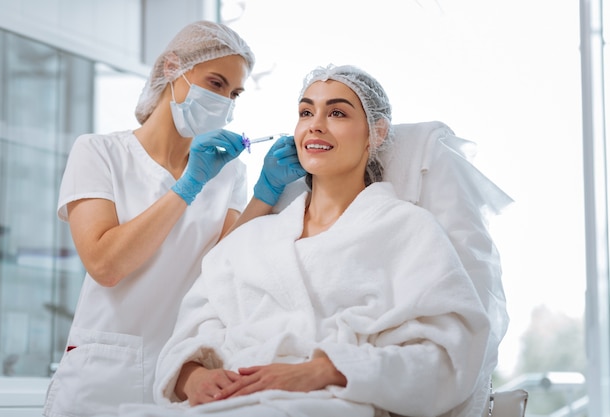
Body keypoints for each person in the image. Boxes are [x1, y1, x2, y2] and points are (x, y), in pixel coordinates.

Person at [97, 64, 499, 417]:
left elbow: (448, 357)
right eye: (306, 112)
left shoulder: (408, 230)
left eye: (337, 112)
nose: (315, 124)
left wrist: (325, 370)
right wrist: (193, 377)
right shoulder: (253, 238)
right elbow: (188, 332)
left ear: (376, 132)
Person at [43, 20, 304, 417]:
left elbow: (222, 269)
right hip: (101, 377)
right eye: (216, 83)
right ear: (172, 68)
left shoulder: (228, 172)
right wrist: (186, 186)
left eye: (233, 93)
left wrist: (265, 192)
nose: (226, 101)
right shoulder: (100, 152)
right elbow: (106, 264)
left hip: (182, 372)